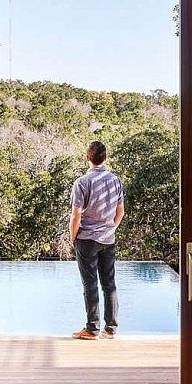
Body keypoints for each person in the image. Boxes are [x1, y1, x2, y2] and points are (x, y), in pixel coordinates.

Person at [69, 140, 124, 340]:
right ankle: (110, 329)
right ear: (105, 158)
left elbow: (76, 216)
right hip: (108, 239)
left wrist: (72, 237)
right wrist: (110, 229)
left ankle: (92, 329)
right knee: (109, 283)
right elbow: (120, 211)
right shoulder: (115, 181)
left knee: (90, 284)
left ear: (87, 158)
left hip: (87, 239)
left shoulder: (82, 183)